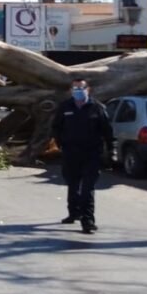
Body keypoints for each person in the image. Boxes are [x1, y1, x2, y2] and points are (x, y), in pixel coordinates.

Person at [51, 78, 113, 234]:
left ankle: (88, 221)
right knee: (72, 185)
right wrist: (61, 145)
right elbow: (56, 127)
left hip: (91, 154)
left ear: (88, 89)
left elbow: (107, 131)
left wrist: (110, 152)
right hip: (70, 153)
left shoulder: (97, 108)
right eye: (74, 88)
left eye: (81, 88)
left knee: (87, 189)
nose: (77, 91)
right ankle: (73, 213)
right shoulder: (65, 107)